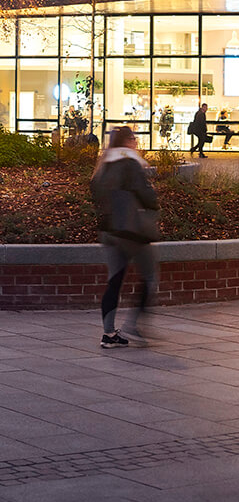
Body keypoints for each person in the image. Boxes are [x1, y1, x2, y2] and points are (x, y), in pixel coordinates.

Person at [90, 127, 159, 348]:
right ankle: (133, 326)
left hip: (108, 230)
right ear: (127, 141)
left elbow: (95, 192)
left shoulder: (103, 165)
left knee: (115, 281)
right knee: (149, 277)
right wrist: (153, 202)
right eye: (134, 138)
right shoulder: (130, 162)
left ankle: (108, 334)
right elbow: (146, 194)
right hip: (131, 230)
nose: (136, 142)